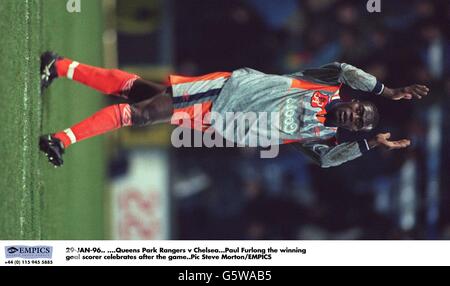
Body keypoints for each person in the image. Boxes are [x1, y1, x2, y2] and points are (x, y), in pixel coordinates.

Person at [39, 51, 429, 167]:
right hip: (224, 91)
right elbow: (346, 68)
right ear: (355, 98)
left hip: (217, 120)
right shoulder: (324, 82)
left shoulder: (318, 137)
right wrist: (387, 90)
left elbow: (328, 162)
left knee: (136, 92)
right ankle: (60, 140)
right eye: (360, 109)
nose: (355, 117)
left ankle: (59, 66)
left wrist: (371, 144)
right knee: (140, 114)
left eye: (359, 123)